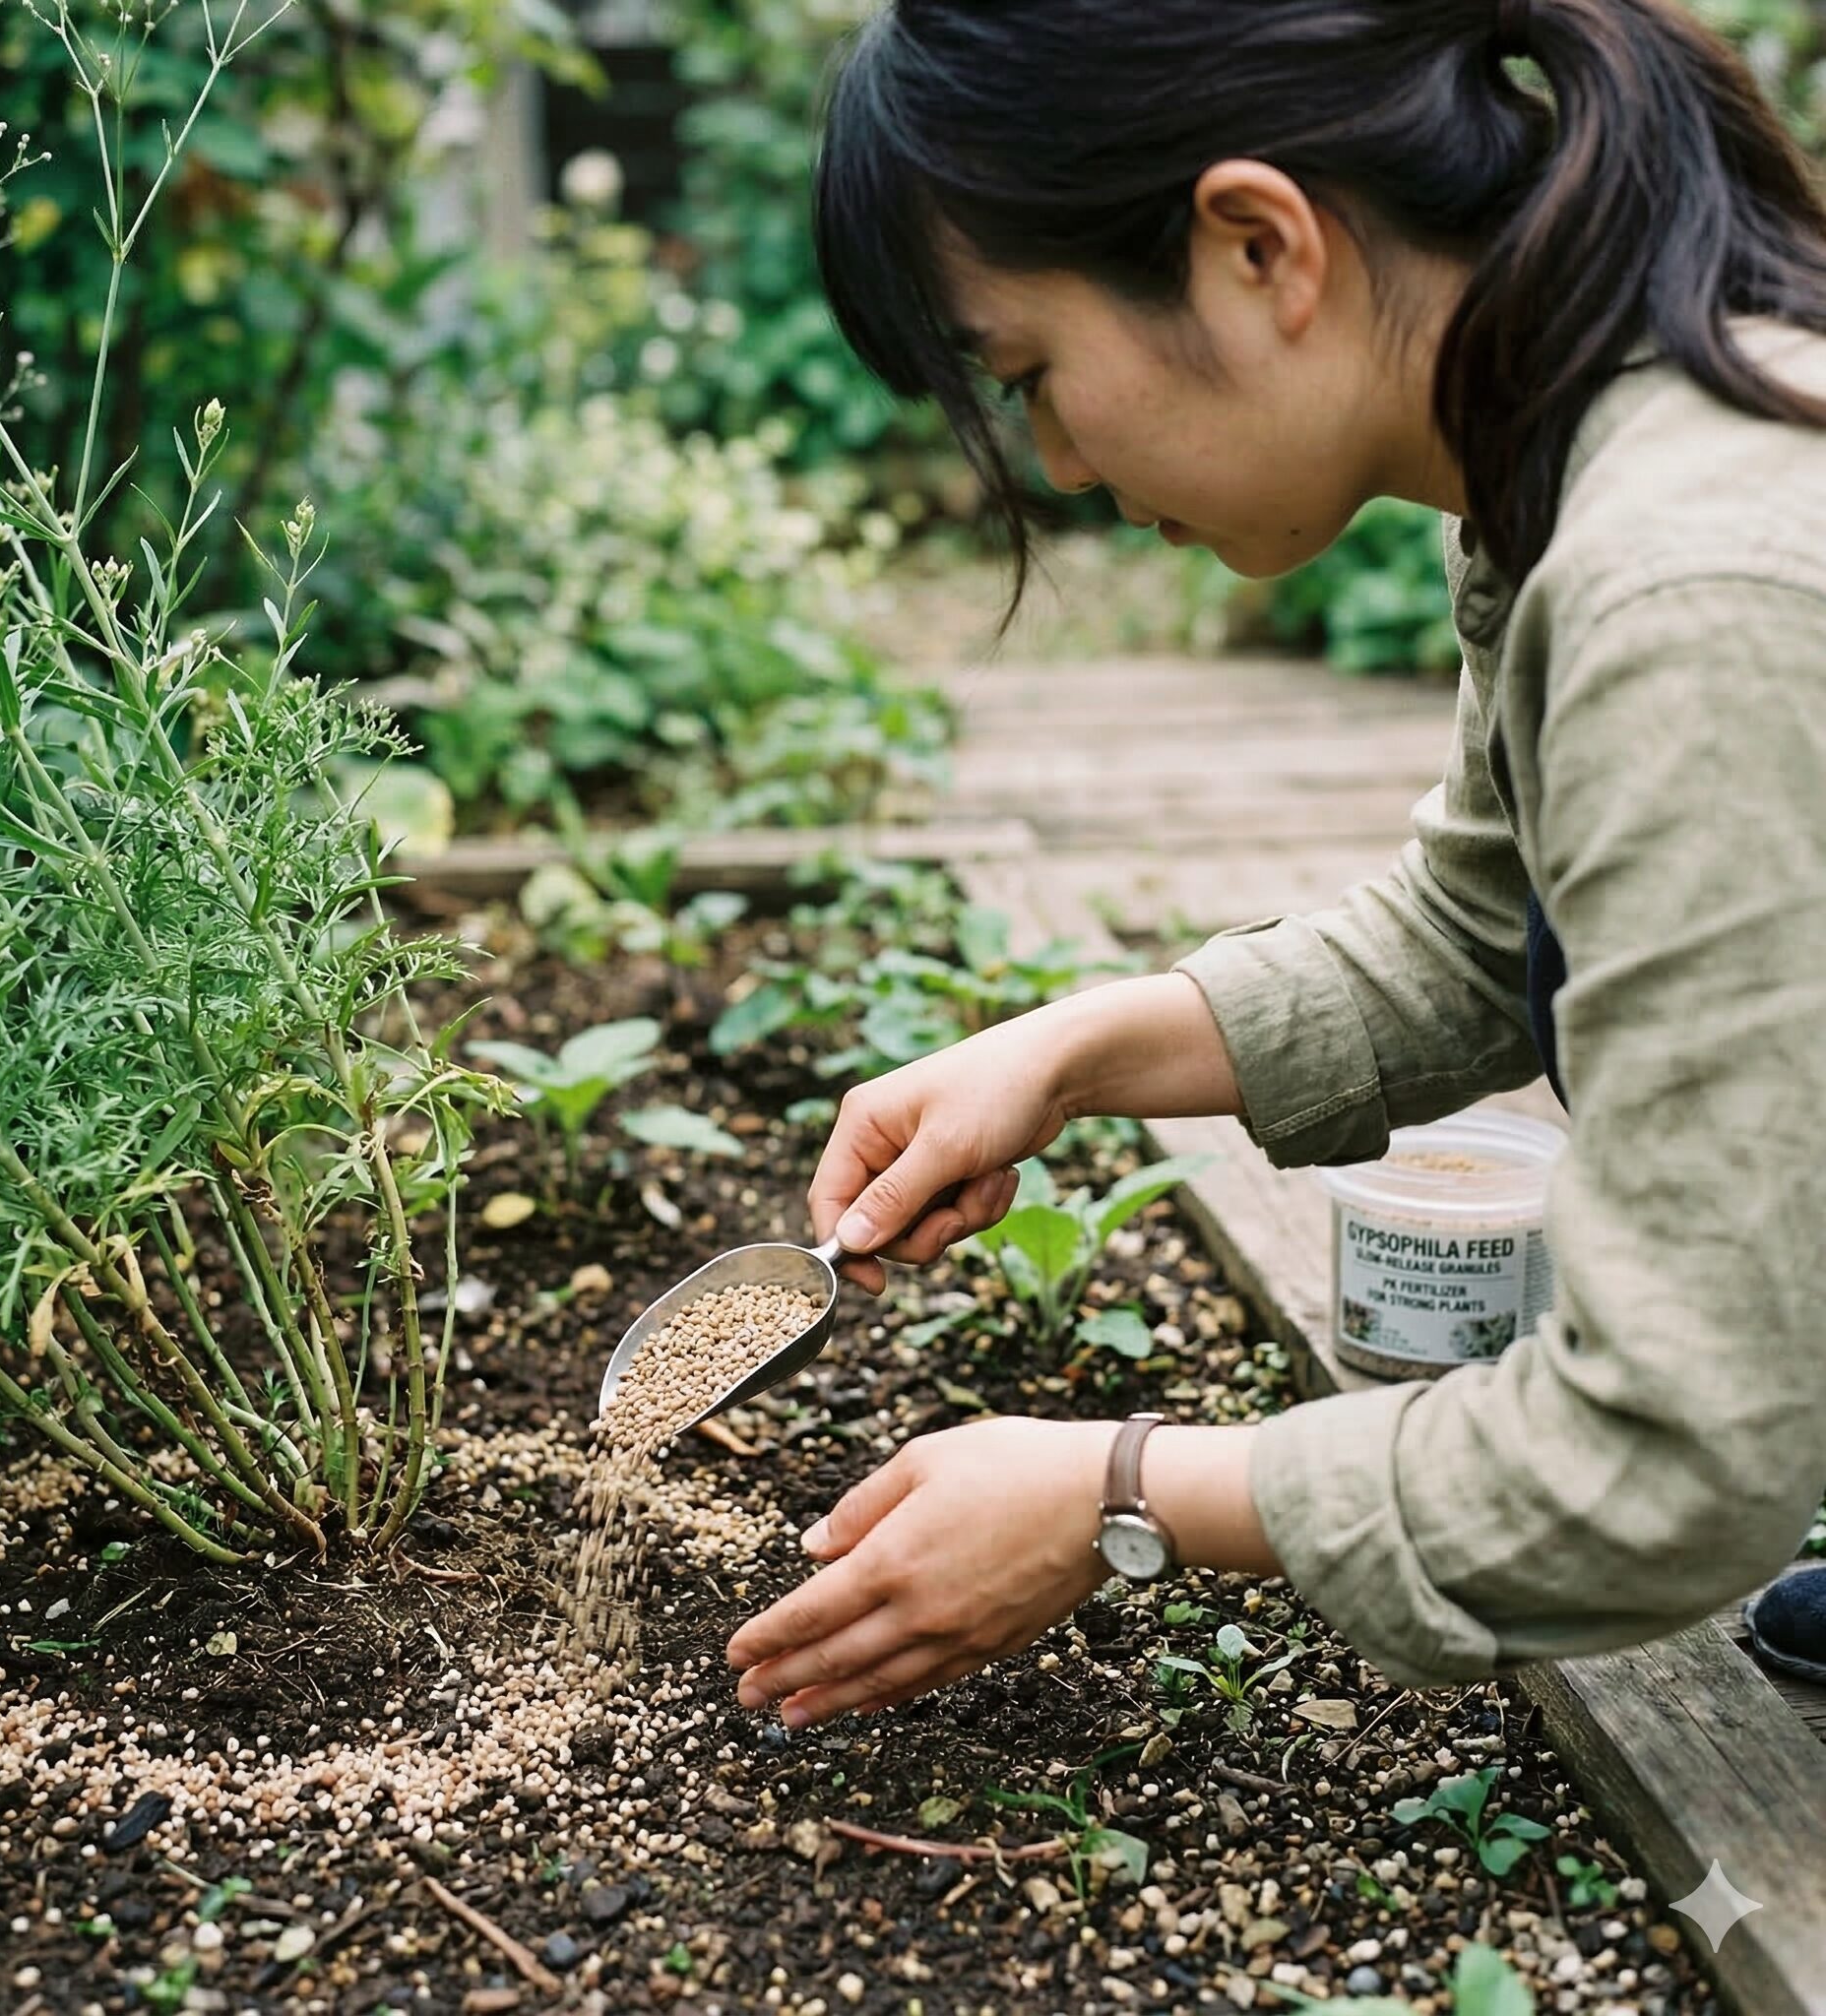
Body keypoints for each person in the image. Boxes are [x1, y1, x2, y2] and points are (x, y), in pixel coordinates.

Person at [724, 0, 1826, 1731]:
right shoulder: (1595, 448)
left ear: (1257, 245)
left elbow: (1668, 1458)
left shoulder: (1692, 595)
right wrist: (1072, 1054)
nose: (1062, 468)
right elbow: (1487, 933)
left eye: (1028, 379)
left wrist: (1123, 1493)